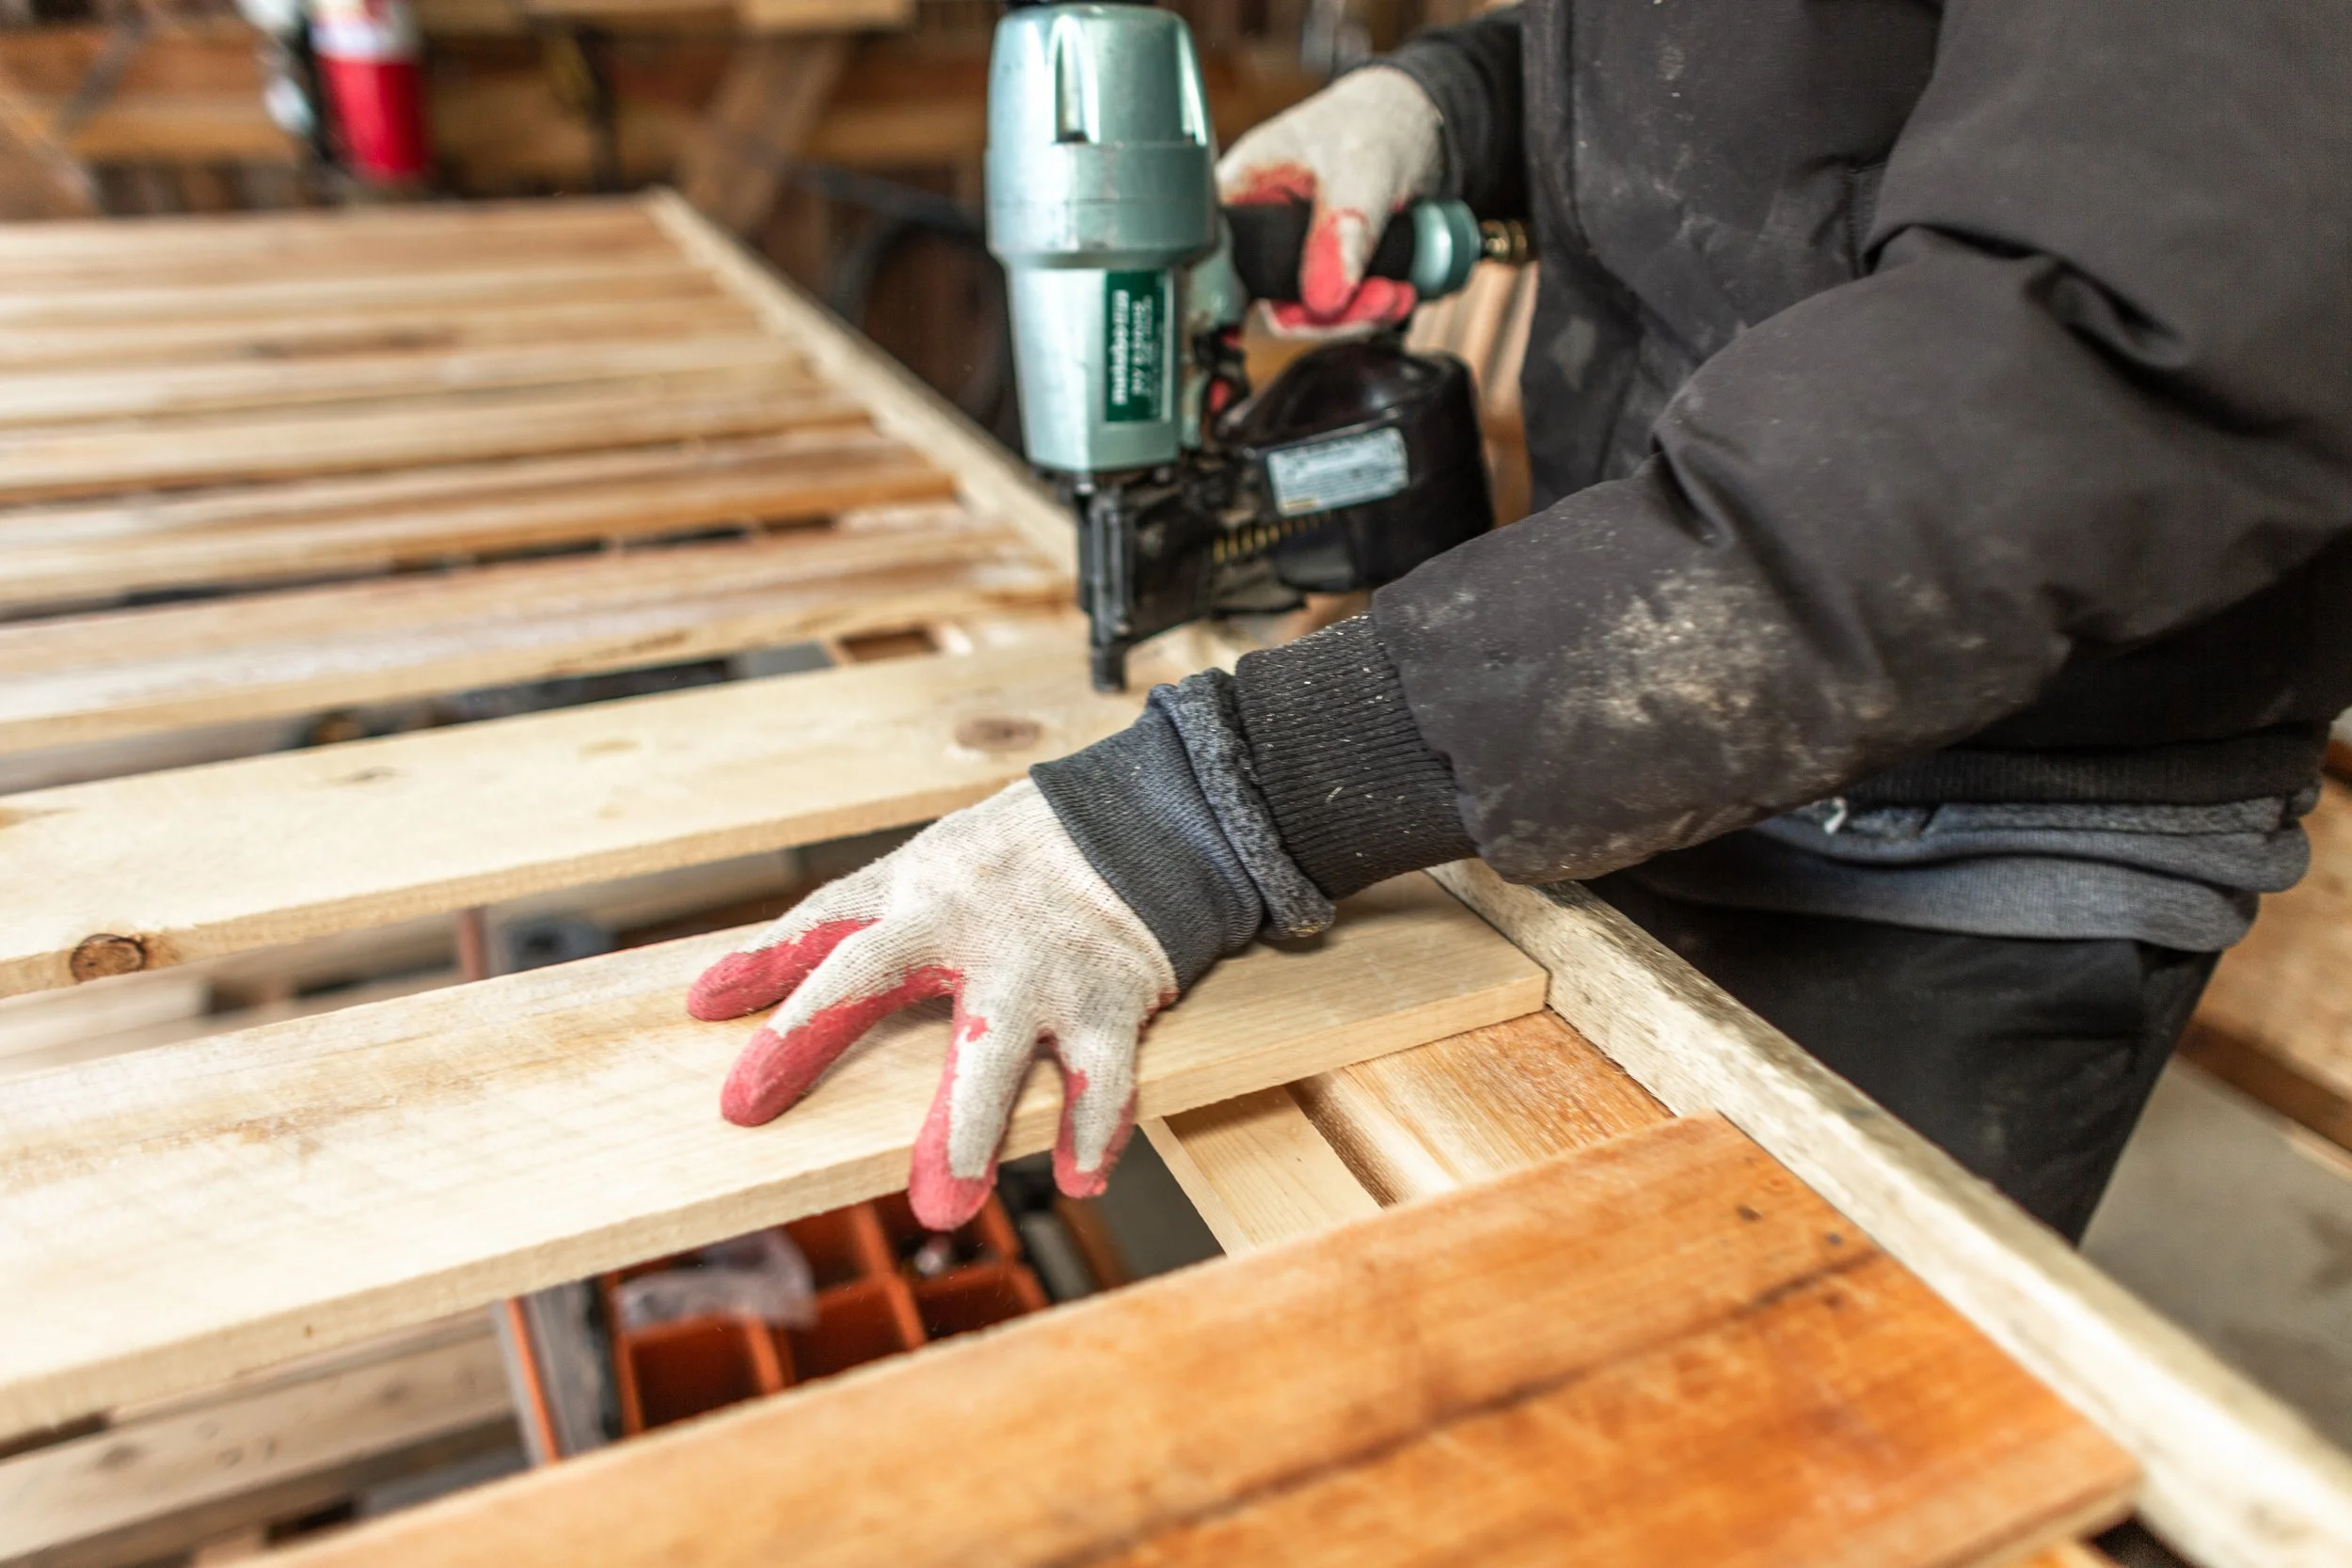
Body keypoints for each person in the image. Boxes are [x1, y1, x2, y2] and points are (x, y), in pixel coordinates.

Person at [688, 0, 2352, 1241]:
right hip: (1639, 738)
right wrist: (1454, 102)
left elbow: (2077, 388)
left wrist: (1227, 795)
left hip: (1964, 842)